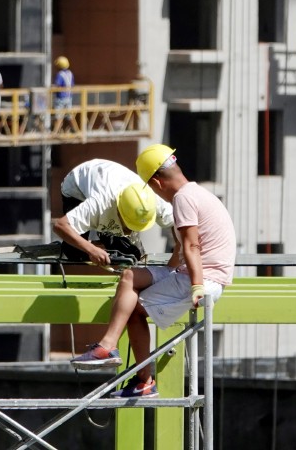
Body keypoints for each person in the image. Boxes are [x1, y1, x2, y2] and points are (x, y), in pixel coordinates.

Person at [69, 144, 235, 400]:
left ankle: (136, 373)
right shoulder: (197, 192)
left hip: (203, 278)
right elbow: (181, 244)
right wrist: (167, 272)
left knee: (133, 310)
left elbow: (191, 245)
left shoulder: (183, 199)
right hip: (192, 273)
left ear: (156, 182)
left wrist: (197, 285)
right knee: (130, 276)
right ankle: (110, 349)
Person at [54, 159, 174, 263]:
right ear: (118, 212)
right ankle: (92, 242)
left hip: (110, 180)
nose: (130, 231)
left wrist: (180, 253)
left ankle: (104, 240)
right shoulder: (99, 204)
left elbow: (177, 223)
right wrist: (92, 249)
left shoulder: (153, 201)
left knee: (130, 254)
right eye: (128, 226)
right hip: (77, 188)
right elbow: (60, 225)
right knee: (75, 253)